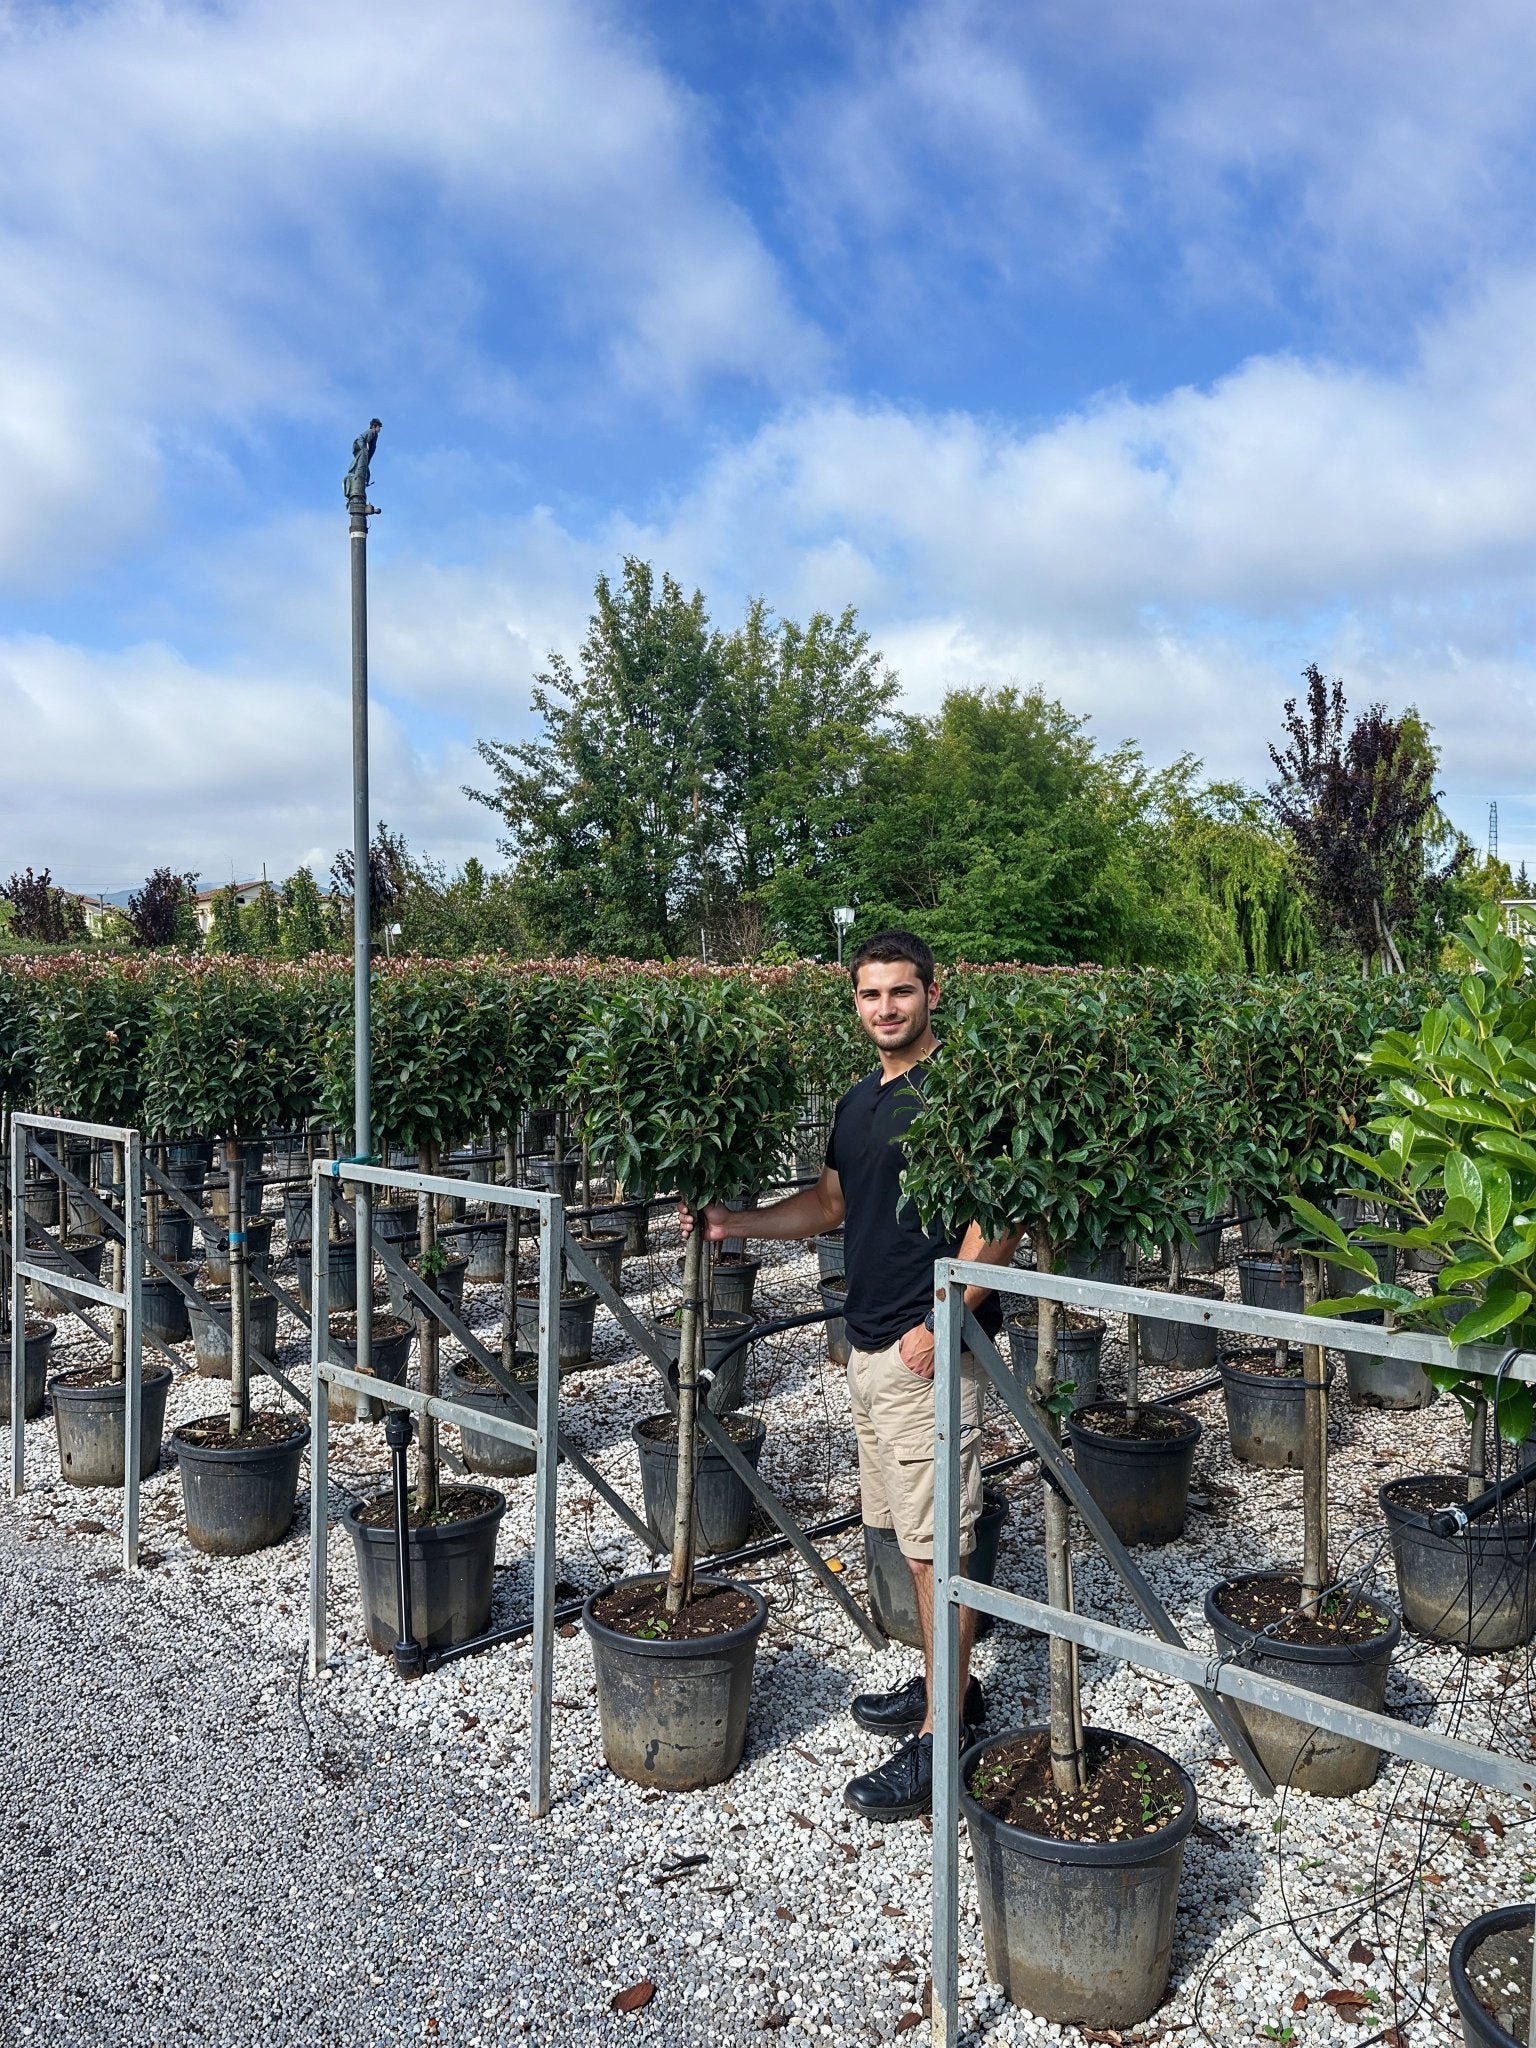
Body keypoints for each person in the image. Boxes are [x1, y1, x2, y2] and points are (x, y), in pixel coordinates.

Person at [689, 930, 1020, 1819]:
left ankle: (942, 1739)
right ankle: (947, 1686)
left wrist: (942, 1322)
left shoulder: (958, 1095)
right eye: (871, 995)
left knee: (936, 1544)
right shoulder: (856, 1101)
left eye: (901, 992)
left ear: (933, 994)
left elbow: (1000, 1219)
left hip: (927, 1351)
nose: (886, 1008)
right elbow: (831, 1204)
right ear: (856, 1004)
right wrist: (733, 1225)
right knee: (906, 1537)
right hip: (870, 1348)